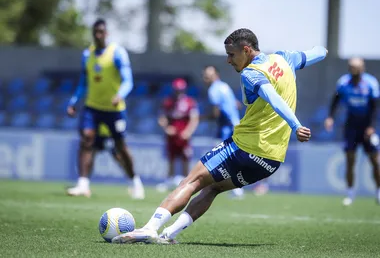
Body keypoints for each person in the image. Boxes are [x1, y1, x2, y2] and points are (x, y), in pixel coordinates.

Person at [112, 28, 327, 244]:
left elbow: (272, 97)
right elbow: (318, 52)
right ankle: (170, 234)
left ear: (246, 49)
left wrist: (296, 125)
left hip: (244, 148)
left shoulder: (251, 73)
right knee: (213, 187)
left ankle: (150, 228)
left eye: (231, 54)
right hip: (271, 160)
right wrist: (323, 50)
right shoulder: (285, 59)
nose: (228, 60)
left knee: (192, 180)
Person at [66, 18, 145, 199]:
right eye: (95, 32)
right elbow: (83, 83)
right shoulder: (87, 54)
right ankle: (83, 184)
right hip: (92, 107)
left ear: (106, 33)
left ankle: (135, 181)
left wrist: (120, 95)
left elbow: (128, 80)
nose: (98, 35)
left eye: (101, 32)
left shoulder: (117, 53)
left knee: (120, 146)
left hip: (114, 110)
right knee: (86, 140)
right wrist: (73, 102)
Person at [324, 57, 380, 206]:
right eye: (351, 67)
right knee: (350, 159)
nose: (353, 69)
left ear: (362, 68)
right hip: (351, 125)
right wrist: (330, 117)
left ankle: (378, 191)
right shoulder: (343, 82)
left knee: (375, 161)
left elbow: (375, 107)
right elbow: (335, 101)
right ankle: (349, 194)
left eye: (356, 67)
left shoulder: (371, 83)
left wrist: (371, 127)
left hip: (367, 125)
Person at [202, 65, 244, 199]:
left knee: (221, 159)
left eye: (209, 75)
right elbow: (237, 104)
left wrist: (201, 117)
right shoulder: (225, 86)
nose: (206, 78)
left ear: (216, 75)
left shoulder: (213, 90)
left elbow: (216, 112)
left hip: (226, 127)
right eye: (205, 76)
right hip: (236, 125)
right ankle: (234, 188)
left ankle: (232, 188)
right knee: (231, 158)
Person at [157, 78, 200, 191]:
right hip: (172, 135)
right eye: (176, 90)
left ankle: (186, 182)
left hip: (184, 134)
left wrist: (188, 132)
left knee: (185, 158)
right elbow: (162, 118)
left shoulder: (190, 102)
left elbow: (194, 119)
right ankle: (169, 180)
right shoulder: (168, 102)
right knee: (171, 157)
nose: (178, 92)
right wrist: (166, 128)